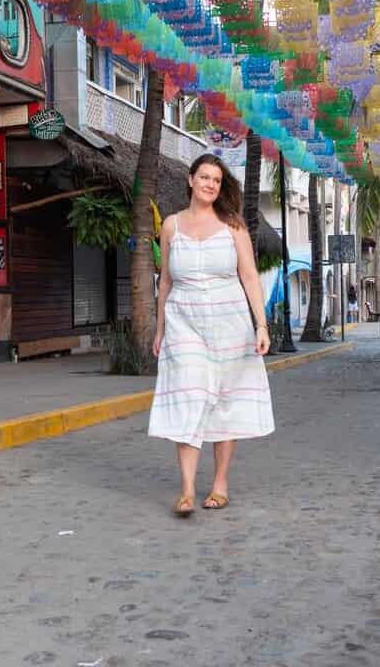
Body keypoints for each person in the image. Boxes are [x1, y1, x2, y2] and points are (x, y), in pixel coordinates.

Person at [149, 153, 274, 517]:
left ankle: (219, 484)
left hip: (230, 324)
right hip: (183, 322)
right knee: (188, 397)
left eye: (216, 180)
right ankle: (187, 490)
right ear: (190, 180)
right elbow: (165, 282)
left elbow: (249, 276)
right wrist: (160, 330)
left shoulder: (233, 226)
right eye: (204, 177)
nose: (210, 184)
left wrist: (261, 325)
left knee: (224, 401)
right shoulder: (171, 226)